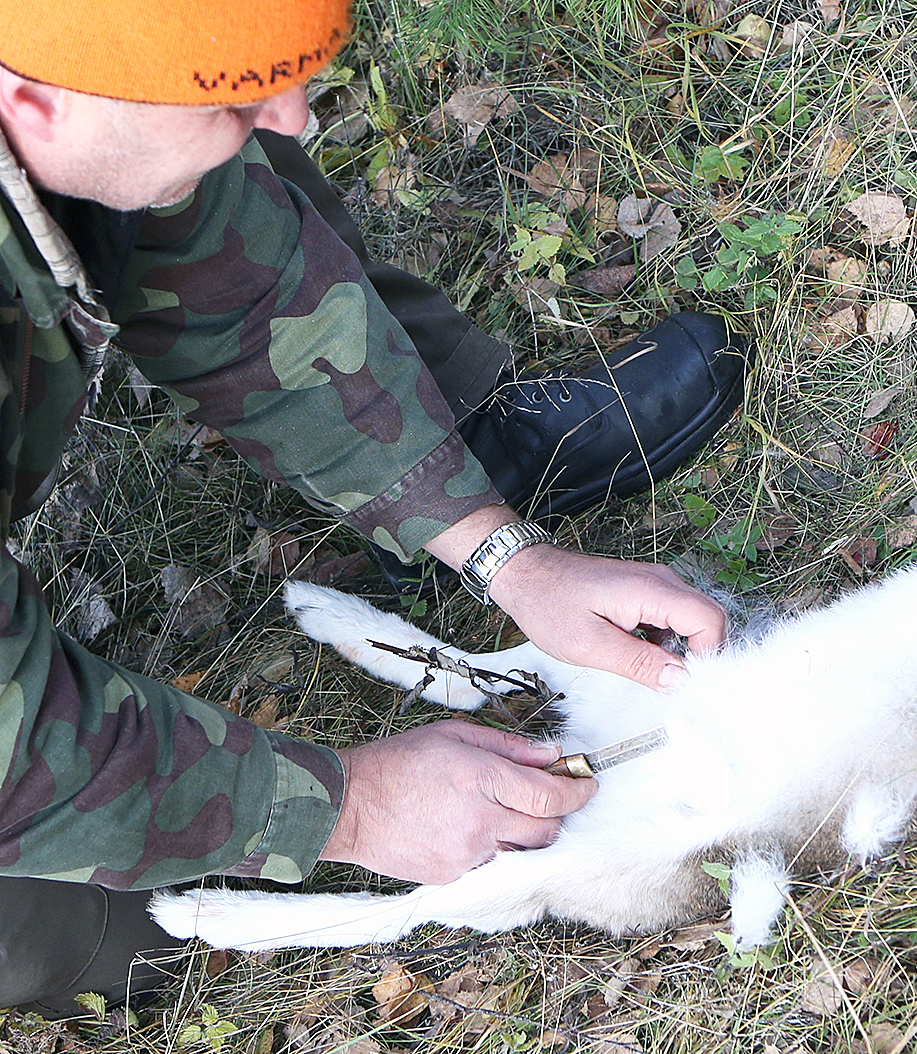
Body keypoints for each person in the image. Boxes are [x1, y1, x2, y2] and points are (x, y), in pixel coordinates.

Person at [0, 0, 747, 1017]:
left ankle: (468, 450)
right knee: (128, 934)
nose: (297, 119)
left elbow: (239, 292)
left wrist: (501, 552)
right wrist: (341, 808)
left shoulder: (87, 68)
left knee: (196, 159)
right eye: (234, 100)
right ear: (29, 103)